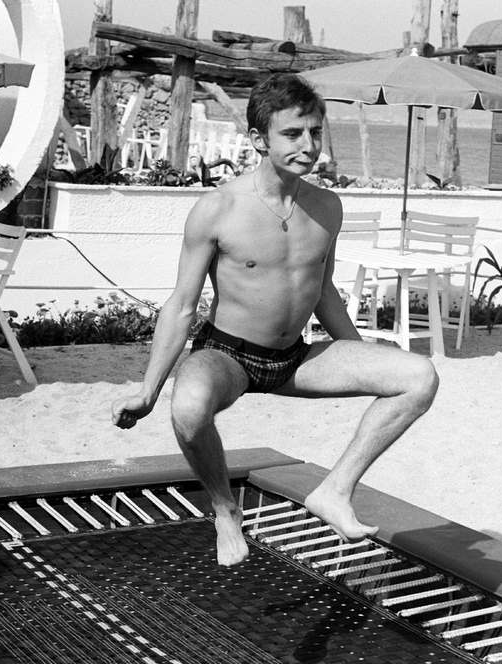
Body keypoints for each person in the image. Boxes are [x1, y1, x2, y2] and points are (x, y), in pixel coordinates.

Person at [111, 73, 439, 566]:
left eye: (314, 132)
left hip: (295, 358)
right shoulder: (217, 208)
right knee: (189, 408)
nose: (308, 146)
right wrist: (148, 390)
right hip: (228, 355)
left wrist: (357, 353)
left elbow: (322, 289)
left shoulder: (327, 206)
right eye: (292, 134)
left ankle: (334, 490)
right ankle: (225, 511)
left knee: (420, 376)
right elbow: (182, 305)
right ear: (258, 139)